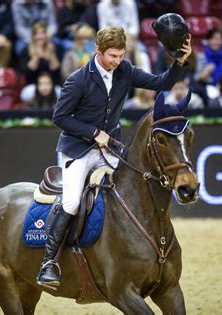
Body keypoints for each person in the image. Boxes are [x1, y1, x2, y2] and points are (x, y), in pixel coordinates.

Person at [37, 25, 192, 287]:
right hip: (77, 150)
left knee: (136, 182)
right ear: (97, 50)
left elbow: (161, 83)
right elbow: (59, 118)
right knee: (73, 201)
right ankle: (48, 262)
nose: (117, 62)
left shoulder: (125, 70)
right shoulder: (78, 80)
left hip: (109, 149)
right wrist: (93, 132)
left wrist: (179, 61)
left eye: (121, 56)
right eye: (112, 56)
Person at [194, 28, 222, 103]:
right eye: (213, 39)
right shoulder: (201, 57)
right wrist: (205, 73)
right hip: (209, 86)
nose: (216, 42)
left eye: (219, 39)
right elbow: (197, 78)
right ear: (209, 40)